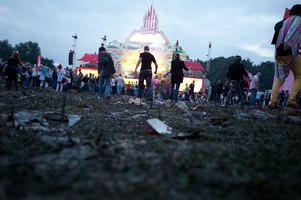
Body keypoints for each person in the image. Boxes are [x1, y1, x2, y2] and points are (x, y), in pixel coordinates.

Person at [269, 4, 301, 110]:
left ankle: (273, 102)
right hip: (291, 51)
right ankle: (291, 101)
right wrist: (289, 46)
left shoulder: (285, 22)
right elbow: (293, 34)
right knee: (299, 76)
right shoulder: (297, 20)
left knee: (279, 79)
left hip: (280, 52)